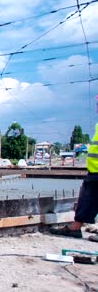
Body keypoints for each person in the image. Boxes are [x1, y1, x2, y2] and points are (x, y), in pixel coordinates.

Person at [50, 98, 98, 242]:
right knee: (87, 198)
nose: (97, 108)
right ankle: (75, 228)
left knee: (87, 197)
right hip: (95, 170)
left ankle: (75, 228)